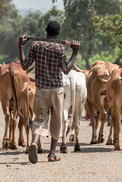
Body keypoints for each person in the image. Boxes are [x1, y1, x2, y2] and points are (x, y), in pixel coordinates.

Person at [18, 21, 79, 163]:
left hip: (40, 89)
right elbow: (65, 69)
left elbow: (25, 65)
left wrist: (20, 46)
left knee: (39, 119)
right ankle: (52, 154)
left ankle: (34, 142)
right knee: (57, 121)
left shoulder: (35, 45)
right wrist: (75, 52)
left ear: (46, 30)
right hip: (56, 90)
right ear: (58, 34)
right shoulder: (60, 48)